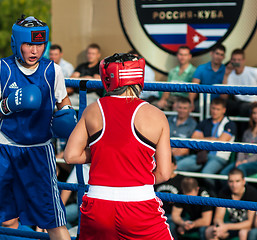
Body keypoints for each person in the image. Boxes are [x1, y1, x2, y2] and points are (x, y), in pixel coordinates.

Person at [0, 16, 72, 240]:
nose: (34, 50)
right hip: (5, 149)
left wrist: (68, 118)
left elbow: (64, 101)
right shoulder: (1, 68)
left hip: (39, 150)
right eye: (29, 44)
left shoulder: (53, 71)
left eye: (39, 44)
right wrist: (9, 103)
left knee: (54, 218)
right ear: (16, 43)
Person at [64, 53, 173, 239]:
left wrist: (103, 152)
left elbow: (71, 156)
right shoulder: (156, 115)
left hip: (97, 204)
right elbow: (164, 173)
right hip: (139, 205)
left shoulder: (93, 109)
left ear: (108, 78)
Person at [176, 98, 237, 190]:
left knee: (206, 173)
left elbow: (220, 143)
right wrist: (213, 139)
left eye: (218, 109)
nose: (214, 111)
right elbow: (194, 139)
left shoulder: (229, 124)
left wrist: (203, 139)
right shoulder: (205, 122)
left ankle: (214, 196)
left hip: (219, 157)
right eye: (213, 108)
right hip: (201, 156)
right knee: (178, 166)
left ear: (224, 110)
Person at [205, 168, 257, 240]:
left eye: (237, 181)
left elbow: (249, 223)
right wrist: (220, 227)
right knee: (210, 231)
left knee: (242, 233)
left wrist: (227, 226)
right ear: (227, 182)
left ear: (243, 181)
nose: (234, 185)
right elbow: (218, 217)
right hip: (231, 225)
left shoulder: (252, 193)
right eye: (231, 181)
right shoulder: (224, 192)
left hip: (244, 227)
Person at [220, 102, 257, 178]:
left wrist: (245, 161)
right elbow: (241, 148)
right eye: (254, 113)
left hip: (253, 163)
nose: (256, 116)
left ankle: (243, 190)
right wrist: (239, 161)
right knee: (223, 173)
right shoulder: (247, 132)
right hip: (243, 161)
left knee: (240, 170)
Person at [154, 156, 185, 239]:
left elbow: (188, 196)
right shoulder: (157, 178)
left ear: (175, 166)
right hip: (157, 213)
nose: (166, 168)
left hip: (175, 215)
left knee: (169, 223)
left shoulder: (182, 180)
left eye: (169, 165)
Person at [157, 46, 196, 110]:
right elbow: (167, 88)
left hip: (185, 100)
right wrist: (163, 100)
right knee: (154, 106)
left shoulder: (194, 71)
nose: (182, 57)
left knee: (179, 108)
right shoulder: (172, 71)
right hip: (171, 99)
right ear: (177, 55)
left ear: (190, 56)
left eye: (185, 55)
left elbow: (193, 90)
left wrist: (189, 103)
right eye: (181, 54)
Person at [189, 45, 226, 111]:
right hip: (203, 101)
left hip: (219, 102)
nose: (218, 57)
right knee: (193, 108)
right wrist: (191, 102)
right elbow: (194, 86)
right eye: (217, 53)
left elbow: (225, 94)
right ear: (211, 53)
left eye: (221, 55)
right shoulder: (201, 68)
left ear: (224, 57)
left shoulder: (226, 70)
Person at [222, 48, 257, 117]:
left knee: (243, 108)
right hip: (238, 103)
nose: (236, 62)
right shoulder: (229, 74)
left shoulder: (254, 71)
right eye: (234, 60)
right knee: (223, 104)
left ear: (243, 60)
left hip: (253, 103)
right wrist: (226, 75)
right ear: (231, 61)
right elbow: (223, 97)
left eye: (239, 60)